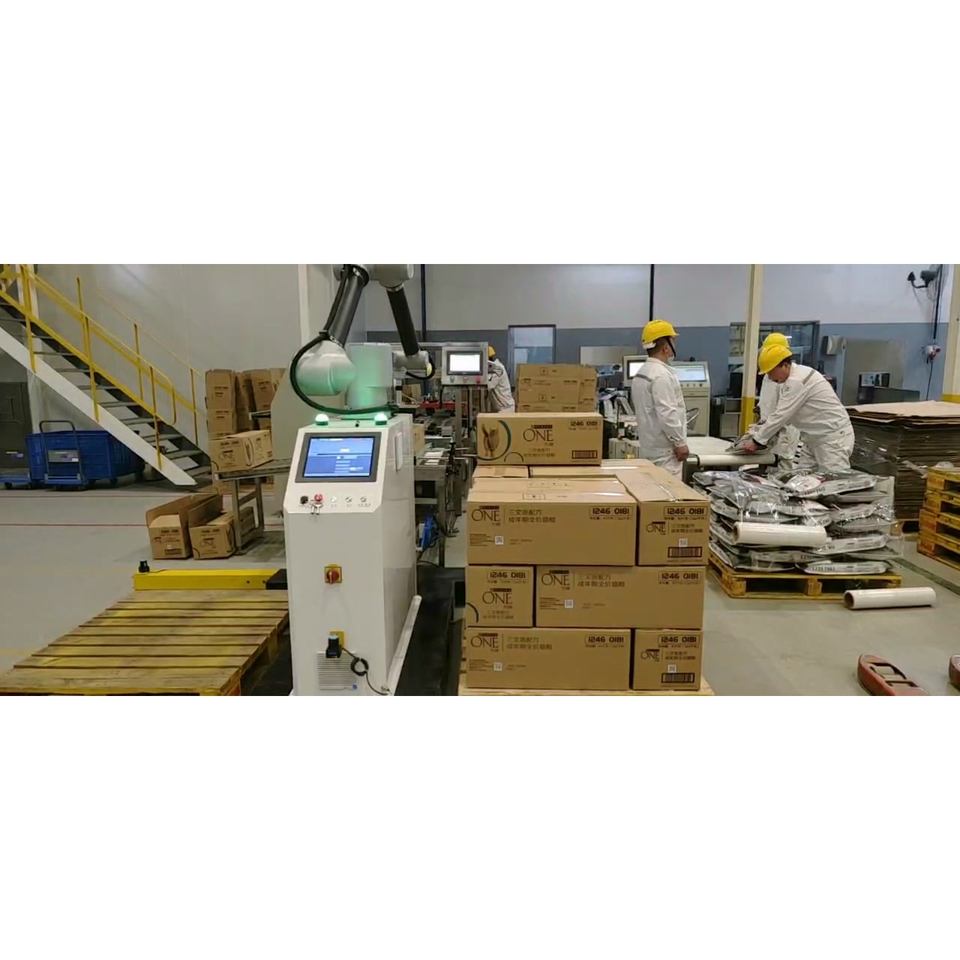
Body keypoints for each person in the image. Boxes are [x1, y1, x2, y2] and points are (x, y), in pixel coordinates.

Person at [741, 343, 854, 472]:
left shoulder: (797, 381)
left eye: (771, 372)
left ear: (785, 365)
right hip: (812, 439)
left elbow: (781, 415)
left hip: (832, 439)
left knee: (833, 479)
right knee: (803, 478)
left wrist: (757, 441)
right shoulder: (790, 379)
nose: (770, 377)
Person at [631, 319, 688, 478]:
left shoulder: (642, 373)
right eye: (673, 341)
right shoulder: (661, 375)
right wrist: (680, 443)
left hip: (649, 447)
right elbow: (667, 413)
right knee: (669, 491)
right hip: (666, 453)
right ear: (666, 348)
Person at [757, 333, 801, 468]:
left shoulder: (791, 379)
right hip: (770, 429)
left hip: (782, 433)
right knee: (767, 465)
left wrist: (758, 438)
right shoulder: (770, 374)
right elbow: (768, 401)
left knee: (781, 467)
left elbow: (782, 413)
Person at [486, 345, 515, 412]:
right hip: (500, 407)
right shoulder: (492, 368)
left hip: (506, 408)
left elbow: (488, 386)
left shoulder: (497, 368)